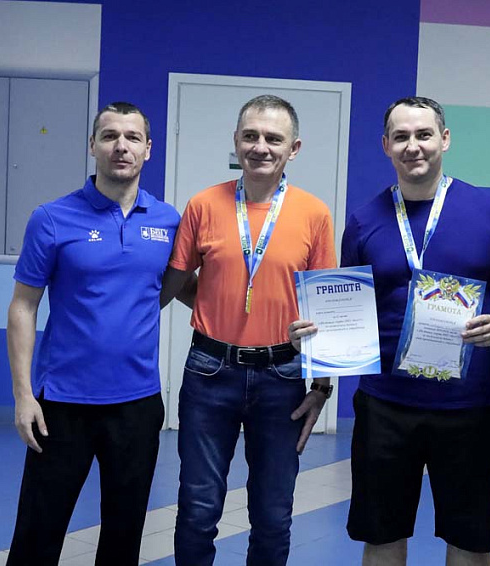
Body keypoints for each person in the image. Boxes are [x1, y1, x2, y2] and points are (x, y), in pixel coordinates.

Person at [326, 96, 490, 566]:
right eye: (401, 137)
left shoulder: (488, 211)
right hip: (385, 405)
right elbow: (348, 308)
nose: (413, 146)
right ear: (386, 145)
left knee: (469, 540)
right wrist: (320, 335)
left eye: (424, 134)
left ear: (444, 139)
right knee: (382, 536)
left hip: (469, 406)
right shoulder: (364, 220)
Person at [160, 94, 336, 566]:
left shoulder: (314, 213)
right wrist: (217, 304)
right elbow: (174, 281)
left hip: (282, 376)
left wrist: (322, 387)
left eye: (273, 138)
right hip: (209, 371)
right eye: (251, 136)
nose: (261, 147)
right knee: (198, 509)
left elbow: (325, 309)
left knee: (273, 514)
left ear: (294, 148)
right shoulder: (203, 204)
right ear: (236, 141)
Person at [6, 102, 181, 565]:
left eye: (132, 137)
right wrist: (23, 395)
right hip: (62, 404)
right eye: (109, 136)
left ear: (148, 149)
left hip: (138, 405)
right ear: (92, 146)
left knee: (124, 538)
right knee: (37, 534)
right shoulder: (52, 218)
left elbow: (184, 287)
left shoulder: (168, 221)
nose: (121, 146)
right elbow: (23, 306)